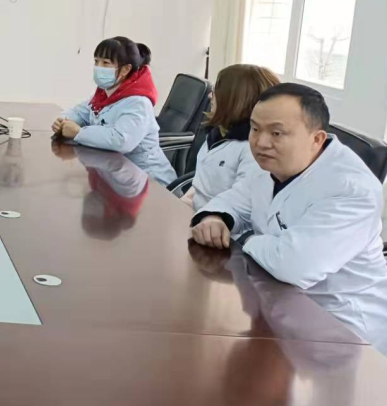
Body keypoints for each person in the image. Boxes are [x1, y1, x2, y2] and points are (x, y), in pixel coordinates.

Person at [191, 83, 387, 350]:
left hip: (341, 330)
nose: (260, 142)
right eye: (255, 129)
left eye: (277, 133)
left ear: (316, 139)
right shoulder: (272, 164)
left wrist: (244, 238)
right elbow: (233, 200)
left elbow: (294, 265)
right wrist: (215, 218)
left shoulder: (352, 190)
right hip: (276, 302)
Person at [52, 36, 176, 186]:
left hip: (148, 180)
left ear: (125, 69)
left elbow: (121, 140)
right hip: (117, 172)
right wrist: (64, 120)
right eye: (96, 61)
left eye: (106, 63)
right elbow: (81, 112)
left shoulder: (138, 102)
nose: (98, 67)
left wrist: (79, 133)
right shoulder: (106, 93)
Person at [181, 64, 280, 208]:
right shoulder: (218, 132)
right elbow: (200, 183)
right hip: (194, 211)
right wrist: (181, 203)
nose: (210, 96)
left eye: (215, 91)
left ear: (235, 100)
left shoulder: (253, 150)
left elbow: (241, 204)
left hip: (216, 219)